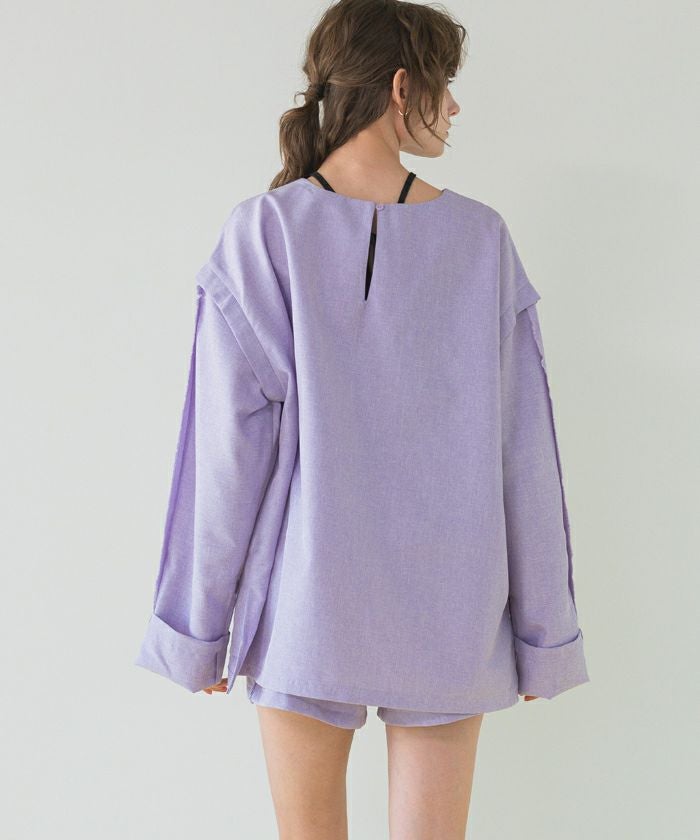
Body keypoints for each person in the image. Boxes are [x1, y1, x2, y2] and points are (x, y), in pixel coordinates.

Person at [134, 0, 590, 837]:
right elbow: (524, 451)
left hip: (309, 606)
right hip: (454, 612)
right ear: (401, 86)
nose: (456, 105)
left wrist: (198, 628)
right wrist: (543, 637)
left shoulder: (264, 231)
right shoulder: (481, 240)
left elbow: (225, 453)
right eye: (445, 84)